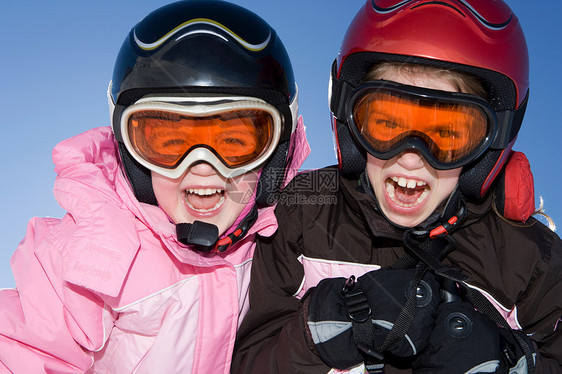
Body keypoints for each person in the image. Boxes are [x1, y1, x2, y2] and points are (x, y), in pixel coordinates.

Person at [232, 0, 561, 373]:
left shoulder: (531, 260)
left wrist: (512, 363)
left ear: (492, 141)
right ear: (349, 120)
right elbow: (248, 359)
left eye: (448, 134)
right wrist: (317, 328)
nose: (410, 156)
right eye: (386, 124)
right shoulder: (302, 215)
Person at [0, 1, 309, 373]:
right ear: (131, 154)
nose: (201, 167)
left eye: (233, 142)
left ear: (275, 150)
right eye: (167, 141)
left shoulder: (289, 243)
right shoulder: (91, 254)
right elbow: (28, 353)